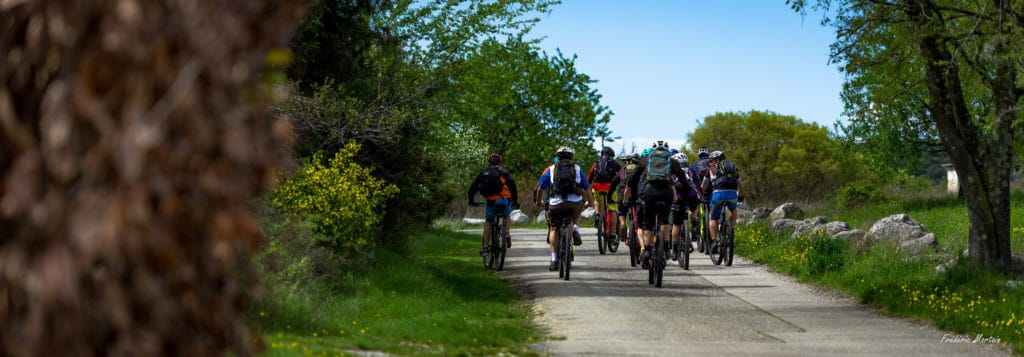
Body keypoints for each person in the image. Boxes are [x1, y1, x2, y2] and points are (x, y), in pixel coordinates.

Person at [624, 140, 689, 269]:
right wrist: (686, 193)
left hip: (650, 191)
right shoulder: (672, 161)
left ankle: (647, 249)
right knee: (664, 221)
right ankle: (666, 248)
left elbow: (634, 178)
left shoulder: (646, 159)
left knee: (647, 223)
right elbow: (683, 178)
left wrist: (632, 193)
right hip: (666, 192)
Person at [537, 147, 594, 271]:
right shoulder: (577, 169)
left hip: (555, 203)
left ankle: (554, 259)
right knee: (576, 215)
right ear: (571, 157)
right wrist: (590, 202)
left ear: (557, 157)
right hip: (574, 202)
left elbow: (540, 187)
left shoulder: (551, 169)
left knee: (554, 228)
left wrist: (538, 201)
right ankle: (575, 229)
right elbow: (586, 188)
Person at [468, 153, 518, 256]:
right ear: (500, 162)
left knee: (488, 221)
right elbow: (513, 187)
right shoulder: (504, 172)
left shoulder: (483, 172)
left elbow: (473, 187)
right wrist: (515, 200)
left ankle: (485, 248)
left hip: (491, 201)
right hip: (504, 199)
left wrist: (471, 200)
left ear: (489, 162)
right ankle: (507, 233)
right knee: (506, 216)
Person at [699, 151, 745, 249]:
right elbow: (741, 186)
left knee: (713, 218)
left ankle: (714, 241)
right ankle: (731, 232)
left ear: (714, 160)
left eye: (711, 160)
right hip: (732, 194)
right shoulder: (732, 169)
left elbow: (703, 186)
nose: (711, 162)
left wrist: (699, 196)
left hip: (718, 195)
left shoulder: (710, 170)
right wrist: (741, 196)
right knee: (733, 210)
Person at [587, 146, 622, 241]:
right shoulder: (615, 163)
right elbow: (621, 176)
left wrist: (588, 186)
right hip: (610, 188)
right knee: (612, 210)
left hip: (597, 187)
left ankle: (597, 215)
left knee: (597, 200)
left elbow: (589, 177)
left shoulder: (596, 163)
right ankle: (612, 234)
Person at [669, 152, 700, 259]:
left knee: (676, 224)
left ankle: (675, 250)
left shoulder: (671, 170)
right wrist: (700, 194)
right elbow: (697, 183)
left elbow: (669, 184)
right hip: (691, 195)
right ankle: (694, 222)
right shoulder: (690, 169)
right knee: (693, 208)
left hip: (678, 196)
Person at [610, 153, 639, 241]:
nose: (625, 163)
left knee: (621, 212)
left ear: (629, 161)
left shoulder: (623, 170)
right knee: (639, 213)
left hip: (622, 194)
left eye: (625, 161)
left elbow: (614, 183)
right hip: (637, 195)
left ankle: (623, 224)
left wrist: (609, 195)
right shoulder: (640, 169)